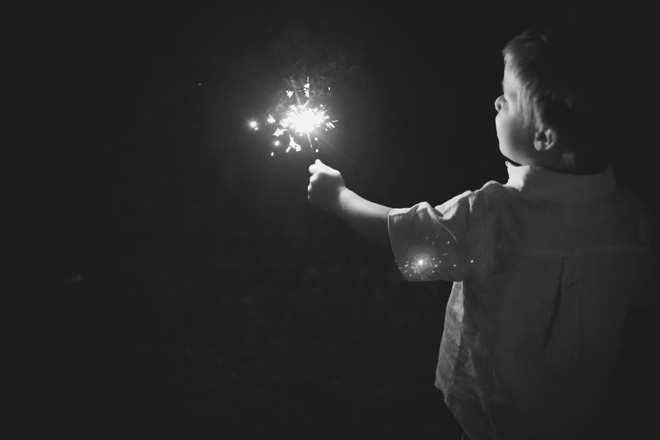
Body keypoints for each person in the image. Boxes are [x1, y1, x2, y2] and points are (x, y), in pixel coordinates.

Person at [307, 27, 657, 440]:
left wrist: (338, 197)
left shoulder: (494, 216)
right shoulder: (632, 220)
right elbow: (643, 297)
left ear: (544, 136)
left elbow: (402, 235)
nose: (496, 101)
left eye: (507, 99)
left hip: (495, 418)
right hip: (577, 413)